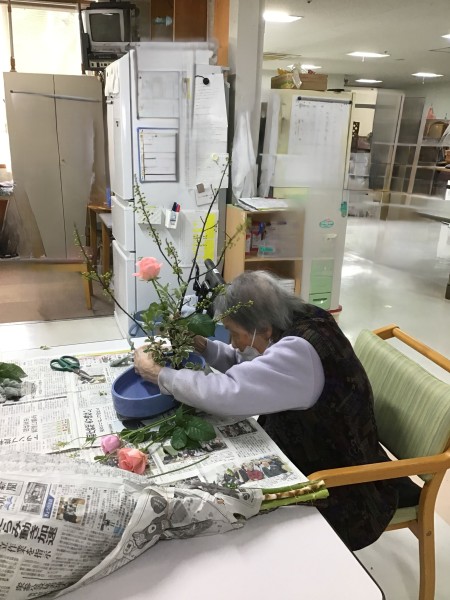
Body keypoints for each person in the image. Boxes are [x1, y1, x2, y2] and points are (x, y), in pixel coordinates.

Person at [134, 270, 399, 551]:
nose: (233, 342)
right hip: (311, 448)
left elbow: (228, 392)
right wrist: (204, 346)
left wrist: (159, 374)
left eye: (235, 333)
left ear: (263, 327)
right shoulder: (296, 317)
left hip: (345, 489)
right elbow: (253, 364)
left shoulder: (300, 353)